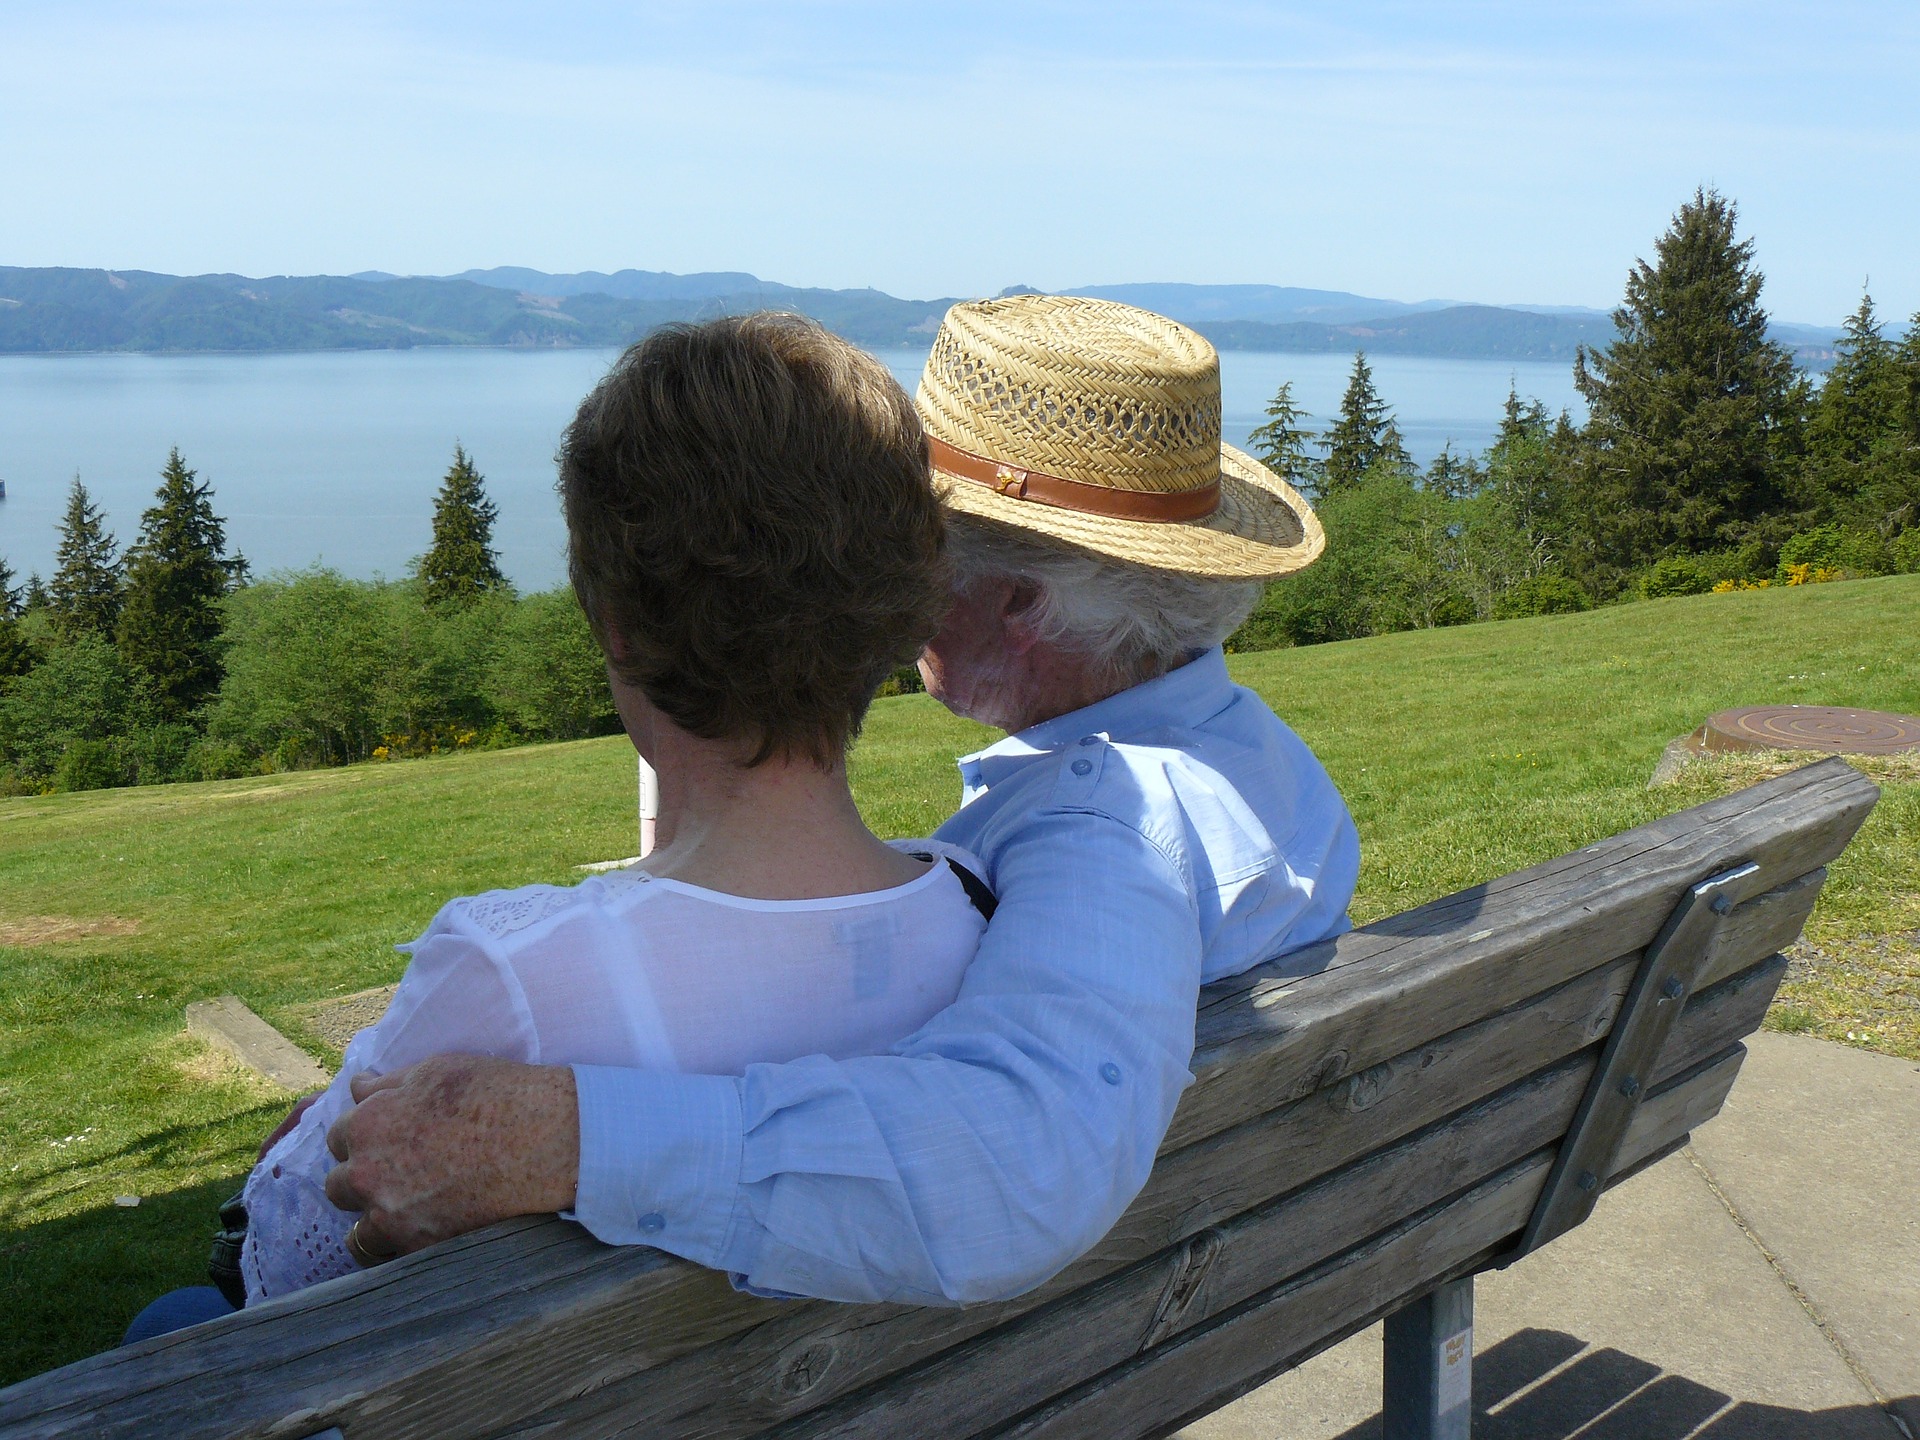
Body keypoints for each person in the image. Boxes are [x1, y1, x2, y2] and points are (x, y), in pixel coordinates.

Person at [322, 294, 1361, 1305]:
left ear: (1019, 605)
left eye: (913, 546)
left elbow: (1024, 1163)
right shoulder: (1260, 766)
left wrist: (571, 1136)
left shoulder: (1110, 828)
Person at [125, 313, 994, 1336]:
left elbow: (287, 1271)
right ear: (896, 607)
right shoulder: (986, 919)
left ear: (615, 622)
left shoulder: (515, 972)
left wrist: (290, 1156)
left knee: (172, 1323)